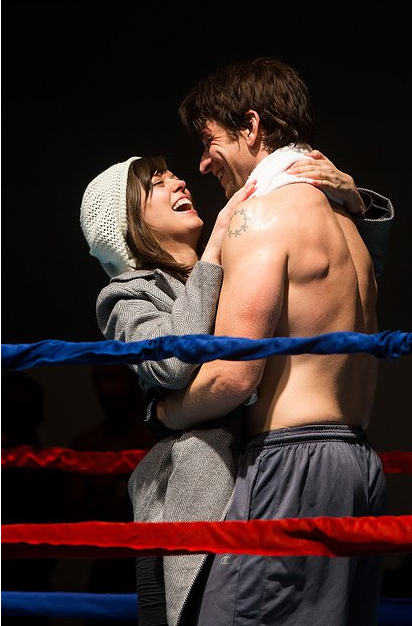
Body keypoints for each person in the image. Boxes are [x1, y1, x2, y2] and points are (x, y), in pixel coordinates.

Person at [80, 142, 392, 625]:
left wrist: (356, 204)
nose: (178, 181)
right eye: (155, 184)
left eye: (170, 174)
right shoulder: (124, 296)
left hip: (267, 484)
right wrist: (215, 247)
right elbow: (170, 363)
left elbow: (345, 284)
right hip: (190, 511)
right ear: (130, 224)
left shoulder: (238, 265)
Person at [153, 57, 389, 625]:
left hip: (294, 465)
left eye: (210, 142)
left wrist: (166, 414)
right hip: (358, 466)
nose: (203, 164)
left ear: (252, 126)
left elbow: (235, 373)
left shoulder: (259, 216)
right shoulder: (349, 224)